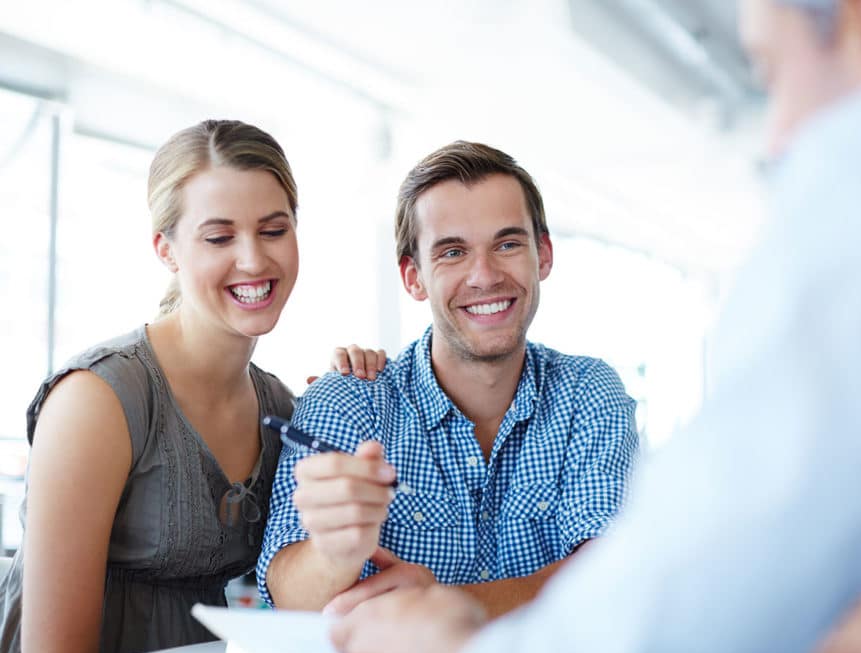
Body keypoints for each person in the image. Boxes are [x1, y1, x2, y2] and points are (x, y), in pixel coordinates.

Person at [329, 1, 861, 653]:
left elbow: (711, 579)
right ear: (412, 276)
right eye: (451, 251)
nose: (778, 136)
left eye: (771, 71)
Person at [258, 141, 640, 618]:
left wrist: (438, 607)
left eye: (507, 244)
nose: (484, 276)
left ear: (542, 255)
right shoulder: (349, 403)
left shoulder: (589, 394)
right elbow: (292, 598)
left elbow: (614, 574)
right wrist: (336, 551)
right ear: (413, 277)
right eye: (453, 252)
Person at [0, 120, 301, 653]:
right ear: (167, 250)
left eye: (273, 230)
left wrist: (363, 382)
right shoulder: (99, 400)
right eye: (219, 237)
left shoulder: (280, 408)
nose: (255, 260)